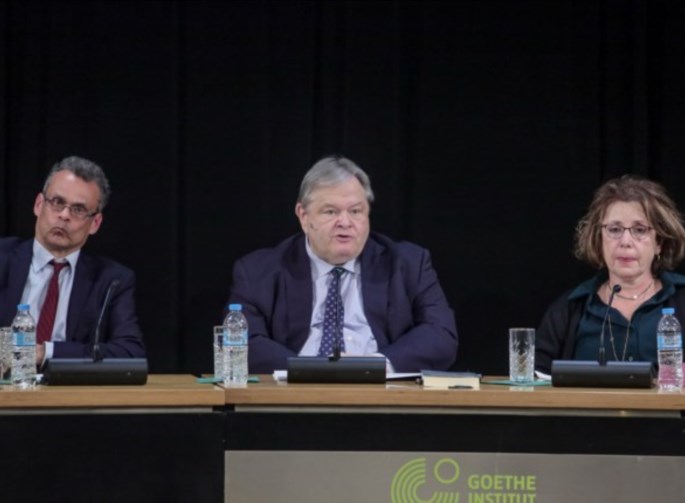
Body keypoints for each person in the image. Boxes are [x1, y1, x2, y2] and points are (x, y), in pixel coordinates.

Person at [228, 155, 458, 373]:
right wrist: (311, 371)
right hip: (295, 393)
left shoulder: (408, 264)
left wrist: (376, 365)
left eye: (356, 211)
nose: (345, 223)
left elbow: (441, 334)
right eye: (330, 212)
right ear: (304, 216)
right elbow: (242, 342)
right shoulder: (257, 271)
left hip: (381, 392)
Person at [0, 156, 145, 364]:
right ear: (39, 205)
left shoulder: (111, 280)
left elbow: (130, 351)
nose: (64, 215)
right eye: (57, 202)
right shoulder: (3, 258)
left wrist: (45, 352)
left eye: (78, 209)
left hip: (70, 384)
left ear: (95, 223)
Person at [536, 175, 685, 373]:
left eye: (639, 230)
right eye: (614, 229)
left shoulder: (681, 298)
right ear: (599, 240)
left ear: (659, 243)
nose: (625, 241)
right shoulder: (570, 308)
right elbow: (535, 379)